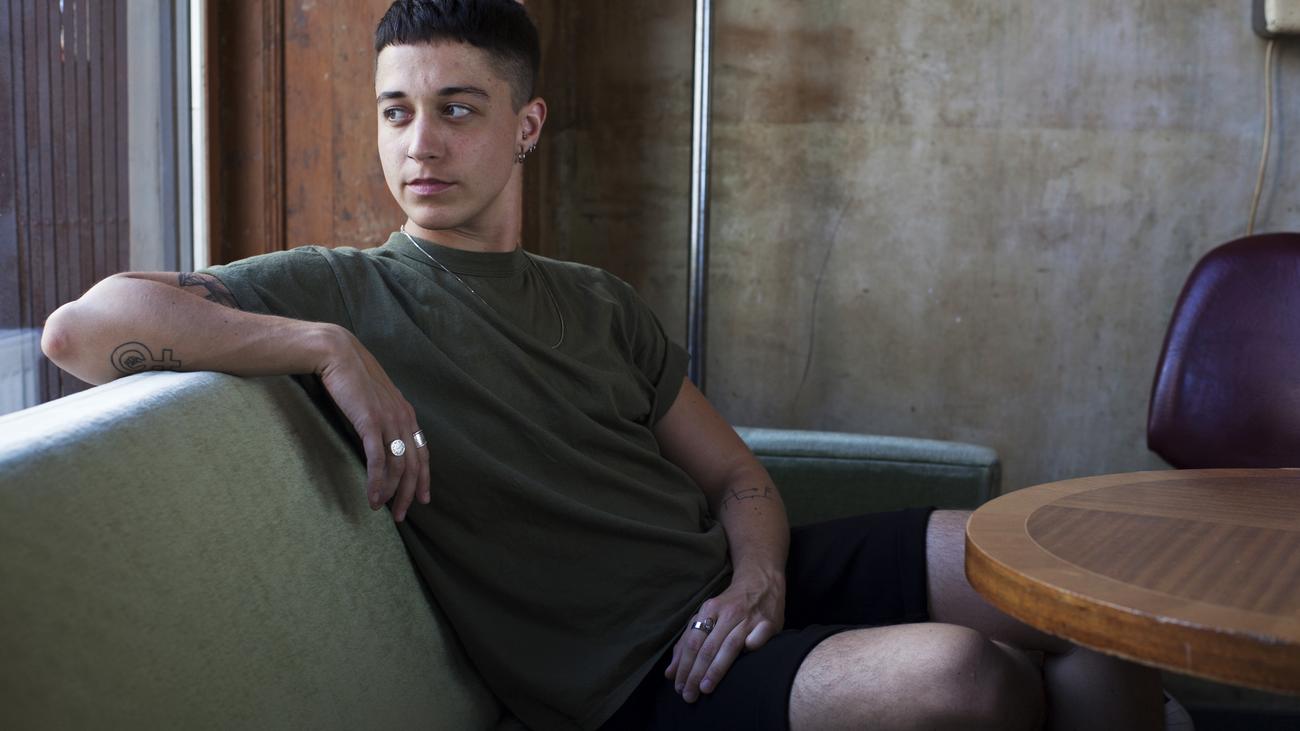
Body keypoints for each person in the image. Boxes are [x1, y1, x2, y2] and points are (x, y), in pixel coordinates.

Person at [41, 1, 1167, 729]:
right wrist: (321, 346)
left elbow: (736, 477)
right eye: (396, 112)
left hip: (731, 589)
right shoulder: (340, 291)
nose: (420, 143)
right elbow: (80, 332)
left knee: (1079, 589)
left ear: (526, 126)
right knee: (965, 677)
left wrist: (758, 578)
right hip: (639, 675)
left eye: (456, 110)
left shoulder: (593, 299)